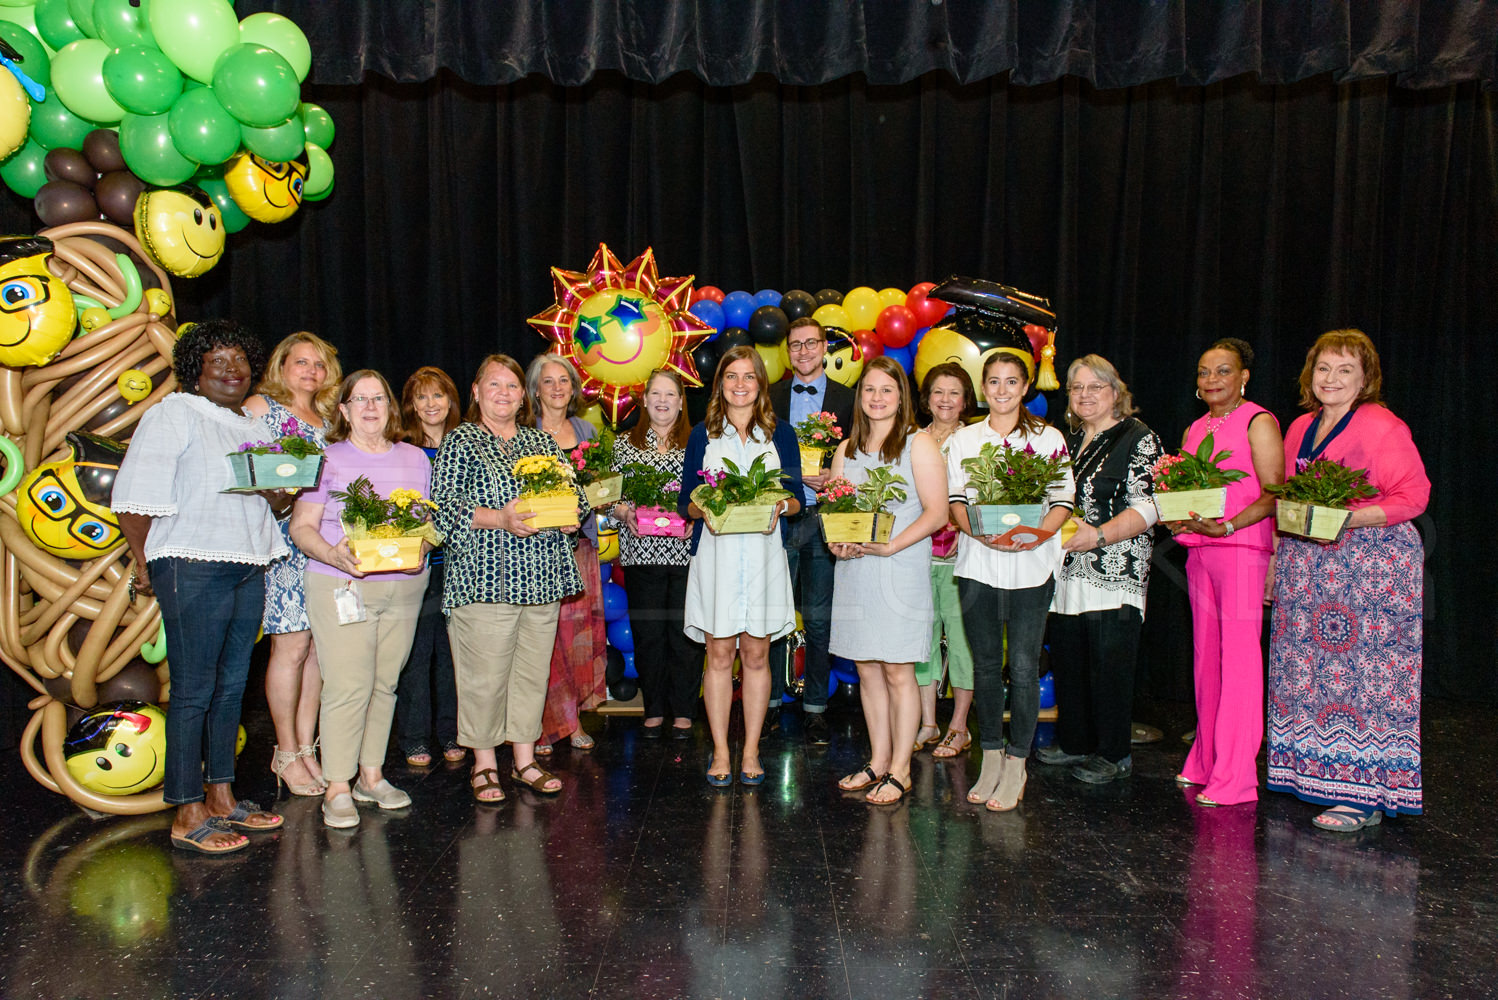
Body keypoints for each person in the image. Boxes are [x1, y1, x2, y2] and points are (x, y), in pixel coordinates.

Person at [113, 319, 288, 854]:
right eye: (219, 360)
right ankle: (186, 811)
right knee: (193, 690)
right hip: (190, 563)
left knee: (232, 686)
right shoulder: (172, 413)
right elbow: (136, 498)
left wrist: (288, 482)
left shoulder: (252, 427)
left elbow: (275, 504)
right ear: (195, 369)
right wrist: (145, 565)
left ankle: (222, 796)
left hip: (247, 563)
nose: (233, 369)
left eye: (240, 359)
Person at [1267, 330, 1429, 831]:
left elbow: (1414, 495)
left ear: (1365, 379)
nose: (1331, 379)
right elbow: (1286, 501)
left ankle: (1364, 797)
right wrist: (1276, 561)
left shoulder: (1382, 425)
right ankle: (1316, 775)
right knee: (1309, 679)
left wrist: (1345, 519)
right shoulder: (1298, 428)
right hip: (1308, 568)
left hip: (1371, 571)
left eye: (1345, 371)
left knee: (1366, 684)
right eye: (1323, 369)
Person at [431, 355, 585, 803]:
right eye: (493, 385)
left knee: (531, 675)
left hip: (542, 579)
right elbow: (442, 509)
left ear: (524, 395)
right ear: (476, 392)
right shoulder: (460, 442)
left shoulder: (542, 441)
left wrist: (572, 515)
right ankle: (483, 764)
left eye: (512, 386)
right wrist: (499, 517)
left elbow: (572, 493)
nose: (504, 393)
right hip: (483, 580)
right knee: (484, 677)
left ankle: (523, 760)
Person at [290, 370, 433, 828]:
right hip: (341, 584)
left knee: (384, 683)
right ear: (345, 410)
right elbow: (301, 528)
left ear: (391, 408)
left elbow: (426, 525)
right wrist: (333, 553)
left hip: (406, 586)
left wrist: (424, 548)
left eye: (379, 398)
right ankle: (337, 784)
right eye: (360, 399)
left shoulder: (415, 458)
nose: (371, 407)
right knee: (348, 686)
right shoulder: (326, 458)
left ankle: (370, 777)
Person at [946, 346, 1075, 812]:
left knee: (1022, 667)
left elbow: (1062, 499)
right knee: (983, 667)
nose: (1002, 391)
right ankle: (991, 758)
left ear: (1025, 387)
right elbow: (955, 500)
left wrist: (1037, 534)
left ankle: (1018, 763)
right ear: (984, 389)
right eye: (993, 382)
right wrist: (978, 531)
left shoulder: (1048, 438)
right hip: (978, 565)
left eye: (1011, 382)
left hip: (1031, 565)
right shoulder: (963, 440)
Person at [1165, 338, 1284, 807]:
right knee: (1205, 660)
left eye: (1223, 371)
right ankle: (1206, 760)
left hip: (1240, 549)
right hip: (1201, 550)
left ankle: (1236, 778)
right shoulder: (1195, 429)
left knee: (1238, 664)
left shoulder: (1258, 420)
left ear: (1243, 376)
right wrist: (1177, 513)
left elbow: (1276, 494)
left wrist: (1231, 524)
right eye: (1204, 372)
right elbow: (1187, 491)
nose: (1212, 380)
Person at [826, 358, 950, 803]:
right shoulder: (846, 449)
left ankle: (901, 768)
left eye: (886, 390)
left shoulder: (918, 444)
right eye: (869, 390)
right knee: (867, 669)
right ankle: (877, 760)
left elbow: (938, 513)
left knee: (899, 671)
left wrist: (892, 546)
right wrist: (838, 544)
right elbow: (837, 515)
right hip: (857, 570)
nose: (877, 398)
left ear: (901, 396)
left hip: (899, 569)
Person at [681, 346, 802, 786]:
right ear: (720, 386)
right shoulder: (702, 436)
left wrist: (778, 508)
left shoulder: (781, 434)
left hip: (765, 559)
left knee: (755, 655)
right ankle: (718, 751)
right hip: (716, 558)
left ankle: (750, 751)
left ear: (760, 384)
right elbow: (686, 506)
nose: (739, 384)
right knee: (718, 655)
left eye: (748, 377)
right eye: (731, 376)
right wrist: (707, 509)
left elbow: (797, 500)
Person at [1038, 355, 1163, 783]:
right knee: (1070, 658)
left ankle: (1113, 753)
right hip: (1067, 568)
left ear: (1116, 392)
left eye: (1096, 386)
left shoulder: (1138, 437)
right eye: (1077, 388)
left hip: (1115, 565)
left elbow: (1151, 505)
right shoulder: (1067, 441)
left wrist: (1100, 535)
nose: (1085, 395)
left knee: (1110, 665)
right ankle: (1075, 743)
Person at [244, 331, 342, 797]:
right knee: (291, 647)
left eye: (319, 365)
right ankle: (283, 750)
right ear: (282, 366)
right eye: (301, 362)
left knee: (320, 648)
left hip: (328, 541)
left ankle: (306, 747)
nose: (310, 372)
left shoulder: (328, 416)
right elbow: (244, 470)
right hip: (283, 539)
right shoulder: (262, 409)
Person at [767, 317, 855, 744]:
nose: (803, 351)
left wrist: (833, 476)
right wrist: (794, 475)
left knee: (819, 621)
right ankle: (767, 704)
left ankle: (816, 707)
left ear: (824, 348)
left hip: (825, 521)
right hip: (778, 518)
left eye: (811, 344)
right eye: (795, 345)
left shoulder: (849, 399)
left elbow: (859, 458)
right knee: (773, 616)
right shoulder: (771, 397)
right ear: (788, 351)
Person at [609, 369, 700, 739]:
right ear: (644, 400)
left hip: (684, 553)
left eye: (671, 395)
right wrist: (625, 512)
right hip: (641, 552)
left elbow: (711, 490)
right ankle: (654, 708)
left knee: (685, 634)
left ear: (681, 403)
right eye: (656, 395)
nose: (663, 401)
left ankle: (683, 709)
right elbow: (608, 498)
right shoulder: (623, 444)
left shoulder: (698, 443)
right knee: (648, 634)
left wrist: (698, 516)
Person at [528, 353, 607, 754]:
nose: (558, 388)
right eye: (548, 382)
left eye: (564, 381)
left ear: (574, 389)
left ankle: (572, 720)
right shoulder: (524, 432)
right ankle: (541, 725)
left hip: (579, 550)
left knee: (577, 637)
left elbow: (599, 488)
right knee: (543, 638)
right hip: (536, 552)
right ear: (535, 389)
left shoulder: (586, 428)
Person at [395, 366, 465, 767]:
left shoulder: (467, 444)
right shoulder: (402, 448)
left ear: (451, 400)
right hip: (416, 566)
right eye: (421, 397)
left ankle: (452, 732)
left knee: (454, 655)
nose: (430, 404)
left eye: (437, 395)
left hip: (459, 566)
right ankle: (414, 737)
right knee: (417, 654)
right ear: (411, 405)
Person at [913, 362, 979, 760]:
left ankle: (958, 727)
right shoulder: (913, 441)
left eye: (954, 393)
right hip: (918, 557)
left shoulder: (976, 441)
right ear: (927, 398)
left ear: (965, 399)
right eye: (938, 391)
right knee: (921, 643)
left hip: (961, 558)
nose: (946, 400)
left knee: (961, 643)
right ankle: (927, 722)